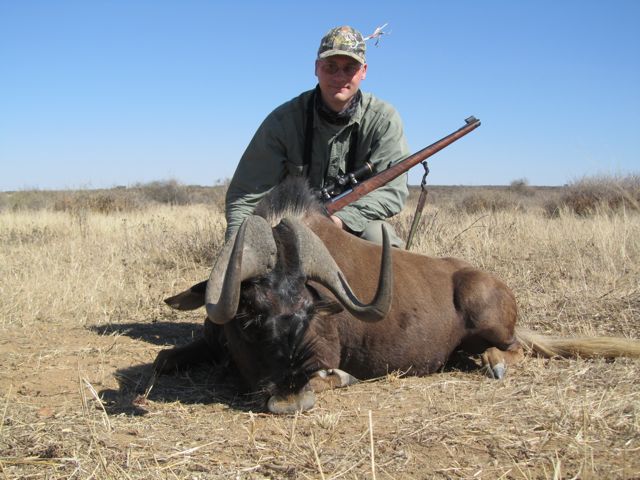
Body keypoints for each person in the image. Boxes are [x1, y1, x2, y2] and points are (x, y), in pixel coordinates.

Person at [224, 25, 410, 246]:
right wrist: (236, 253)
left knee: (381, 238)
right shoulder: (284, 121)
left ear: (364, 71)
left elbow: (393, 190)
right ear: (316, 68)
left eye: (349, 68)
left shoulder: (384, 120)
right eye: (330, 67)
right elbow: (244, 197)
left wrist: (337, 220)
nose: (339, 76)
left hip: (354, 226)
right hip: (293, 229)